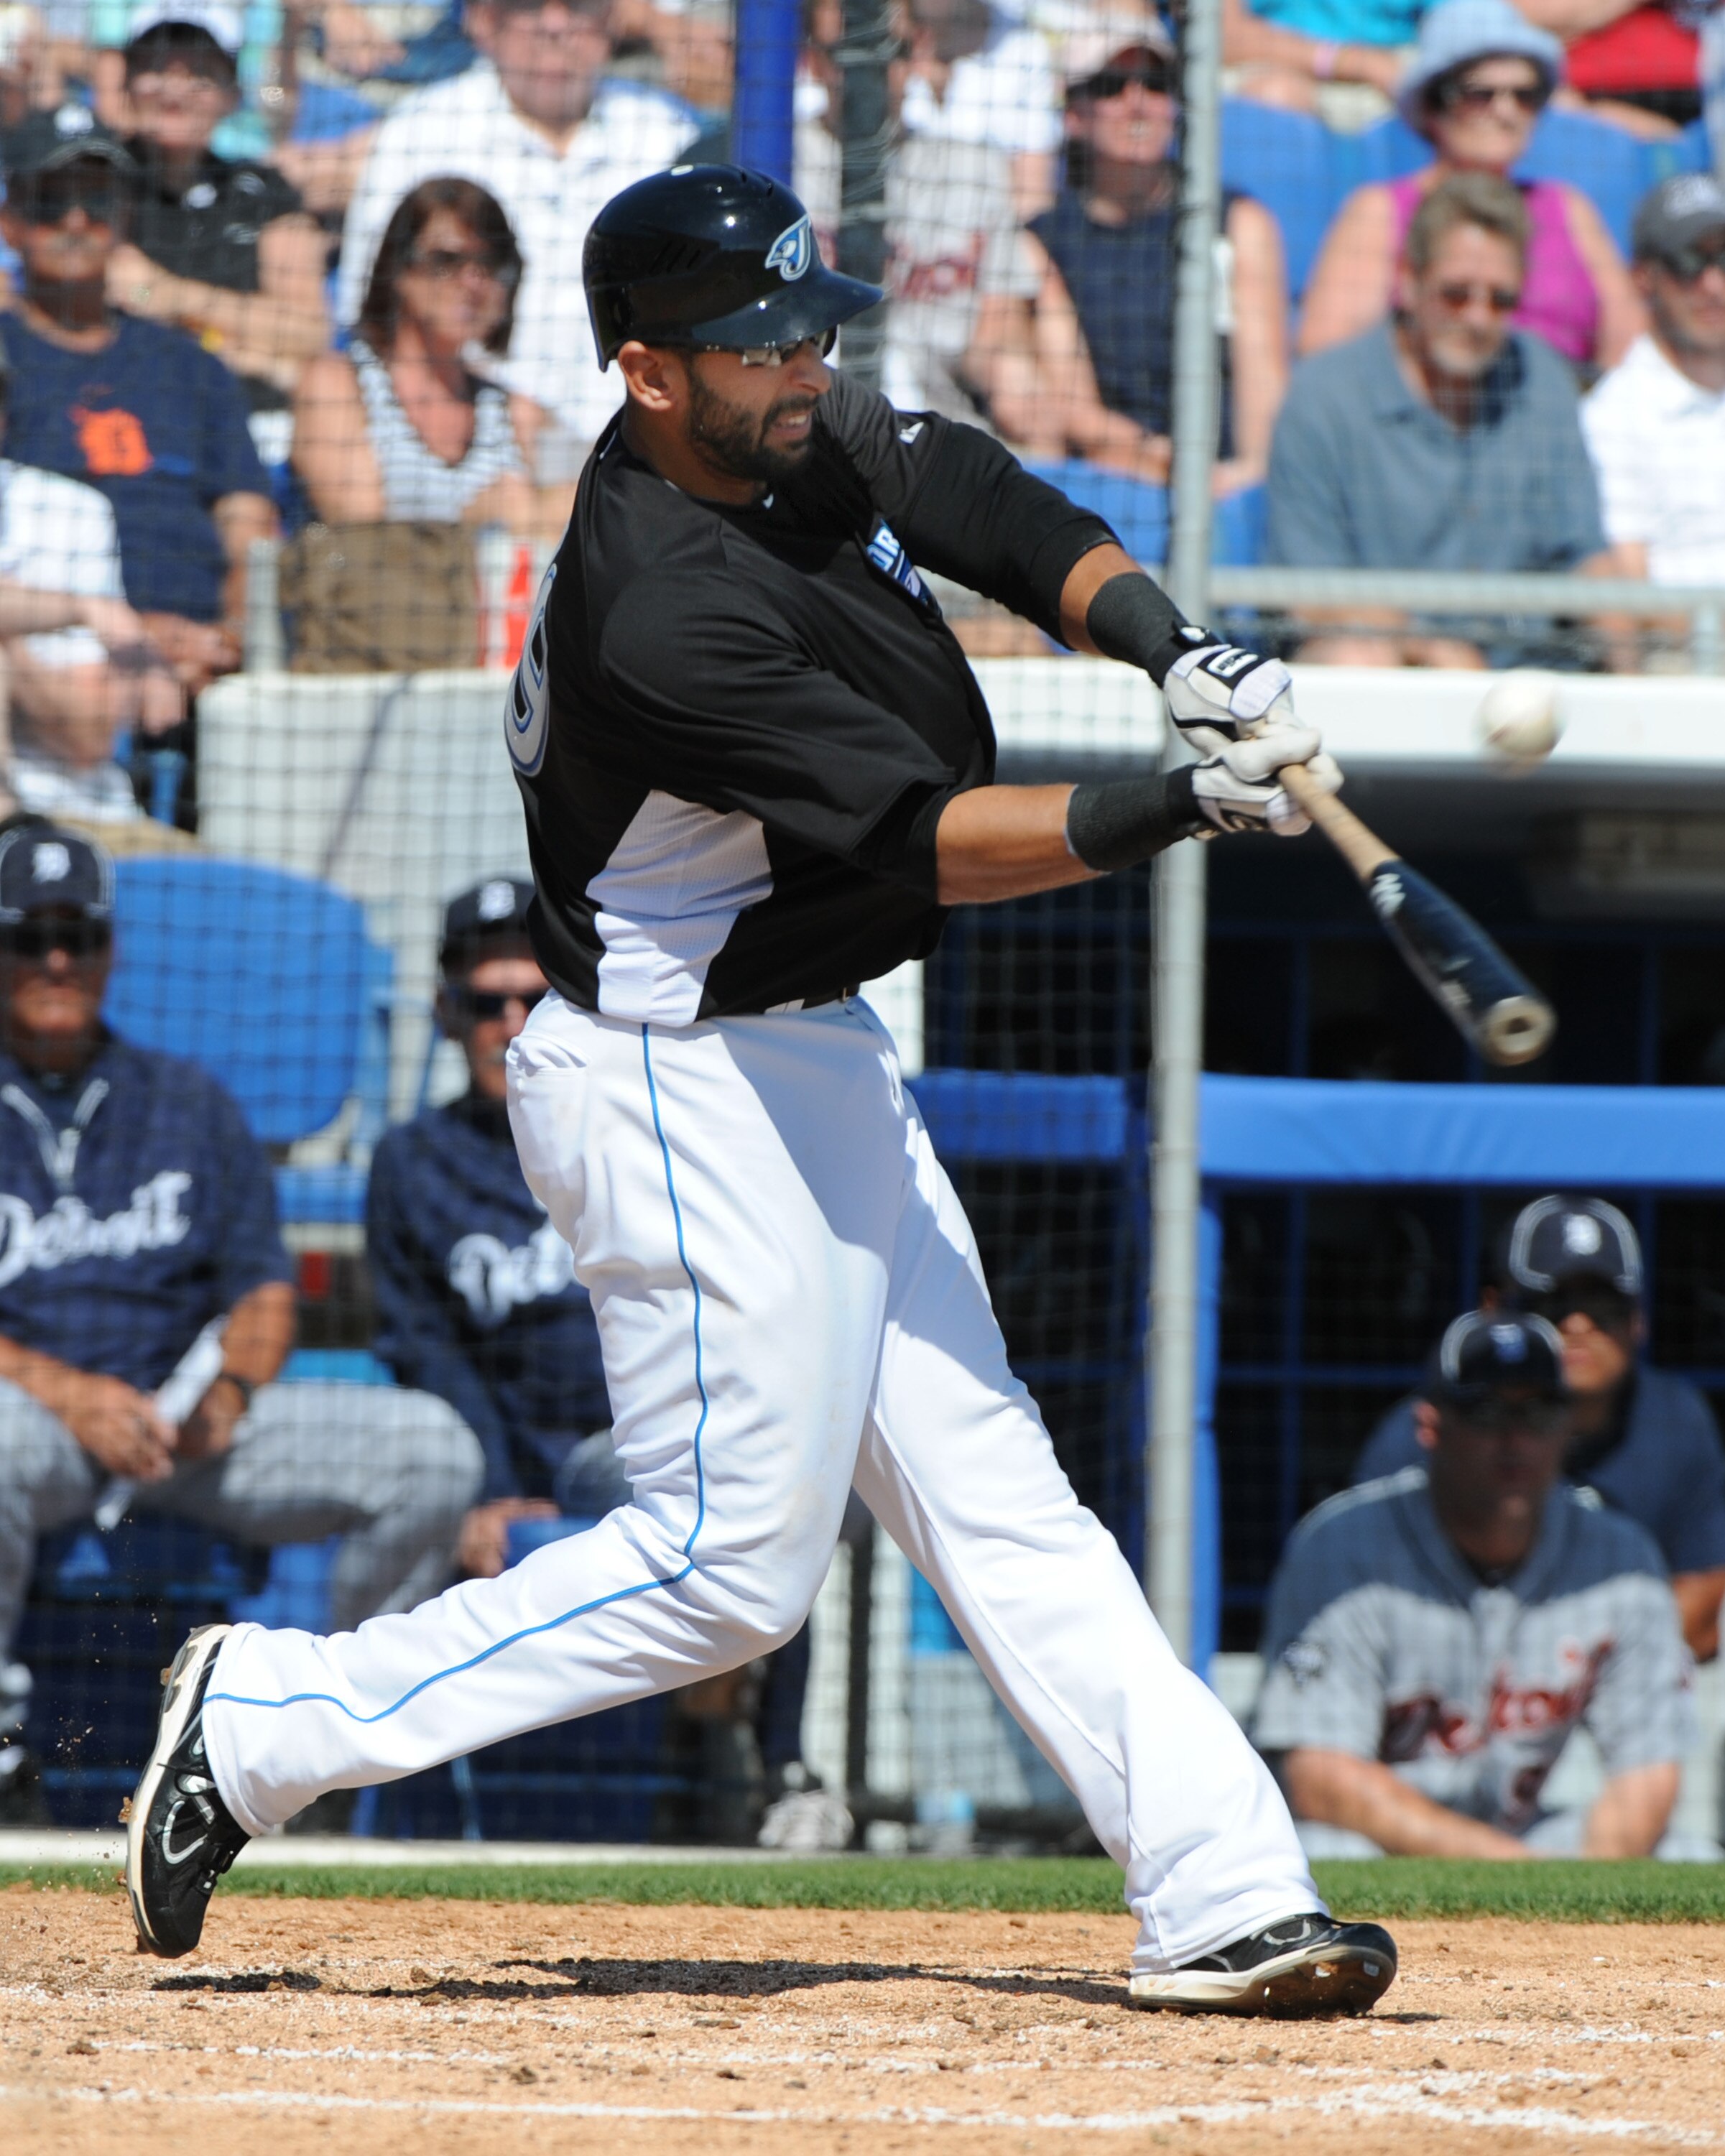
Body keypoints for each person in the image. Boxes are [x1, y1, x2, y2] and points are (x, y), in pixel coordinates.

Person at [124, 162, 1397, 2018]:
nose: (804, 359)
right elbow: (921, 843)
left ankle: (1220, 1888)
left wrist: (1167, 647)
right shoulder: (662, 605)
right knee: (729, 1573)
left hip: (801, 1042)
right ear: (647, 371)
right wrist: (1179, 805)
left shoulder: (779, 427)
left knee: (994, 1484)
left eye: (811, 321)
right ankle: (265, 1716)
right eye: (756, 341)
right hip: (667, 1077)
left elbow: (966, 486)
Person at [0, 823, 484, 1816]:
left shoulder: (186, 1102)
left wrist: (228, 1392)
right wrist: (69, 1394)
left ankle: (335, 1733)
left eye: (78, 935)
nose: (56, 959)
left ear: (109, 948)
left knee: (432, 1451)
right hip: (30, 1420)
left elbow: (264, 1290)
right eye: (29, 935)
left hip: (189, 1427)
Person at [1257, 1309, 1695, 1859]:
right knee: (1321, 1851)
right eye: (1486, 1411)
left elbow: (1646, 1778)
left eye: (1537, 1412)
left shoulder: (1619, 1558)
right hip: (1385, 1845)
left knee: (1686, 1855)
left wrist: (1573, 1907)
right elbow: (1319, 1776)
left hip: (1531, 1842)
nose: (1514, 1439)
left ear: (1567, 1426)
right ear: (1430, 1426)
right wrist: (1502, 1866)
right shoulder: (1343, 1547)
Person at [366, 876, 625, 1578]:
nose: (512, 1024)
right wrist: (498, 1490)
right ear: (447, 1013)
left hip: (644, 1443)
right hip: (523, 1465)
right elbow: (426, 1351)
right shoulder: (411, 1163)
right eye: (486, 1004)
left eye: (535, 1000)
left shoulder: (638, 1134)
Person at [1266, 172, 1619, 667]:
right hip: (1392, 677)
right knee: (1352, 656)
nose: (1477, 318)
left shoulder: (1541, 380)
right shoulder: (1325, 398)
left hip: (1530, 678)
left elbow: (1584, 554)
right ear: (1408, 282)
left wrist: (1630, 656)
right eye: (1456, 294)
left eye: (1500, 300)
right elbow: (1309, 595)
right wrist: (1430, 647)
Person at [1355, 1194, 1725, 1662]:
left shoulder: (1675, 1420)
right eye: (1551, 1303)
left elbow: (1701, 1609)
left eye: (1603, 1306)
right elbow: (1362, 1596)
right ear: (1494, 1307)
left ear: (1638, 1320)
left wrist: (1554, 1674)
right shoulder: (1443, 1423)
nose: (1576, 1324)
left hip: (1609, 1693)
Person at [334, 0, 699, 466]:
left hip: (653, 448)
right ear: (483, 20)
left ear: (610, 22)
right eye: (526, 5)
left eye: (579, 7)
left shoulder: (667, 133)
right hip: (489, 456)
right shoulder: (420, 132)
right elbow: (369, 318)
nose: (554, 25)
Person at [0, 106, 277, 694]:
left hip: (208, 662)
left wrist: (228, 633)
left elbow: (246, 518)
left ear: (123, 220)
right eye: (51, 204)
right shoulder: (5, 357)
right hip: (58, 660)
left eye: (97, 204)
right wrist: (138, 634)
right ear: (11, 223)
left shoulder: (189, 363)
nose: (76, 221)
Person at [1001, 22, 1287, 495]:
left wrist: (1247, 482)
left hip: (1226, 487)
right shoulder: (1042, 242)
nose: (1138, 102)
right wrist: (1182, 470)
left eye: (1156, 85)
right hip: (1102, 484)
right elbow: (1078, 414)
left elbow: (1264, 392)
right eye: (1112, 86)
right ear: (1074, 114)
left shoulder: (1237, 222)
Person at [1298, 0, 1642, 374]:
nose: (1506, 111)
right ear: (1435, 104)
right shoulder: (1380, 211)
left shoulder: (1568, 208)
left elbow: (1631, 353)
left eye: (1524, 95)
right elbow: (1326, 361)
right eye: (1482, 94)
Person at [793, 0, 1043, 430]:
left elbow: (1003, 341)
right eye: (847, 52)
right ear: (813, 60)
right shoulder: (775, 164)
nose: (867, 71)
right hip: (808, 426)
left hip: (941, 439)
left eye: (887, 50)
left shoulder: (974, 170)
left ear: (919, 51)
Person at [105, 3, 330, 448]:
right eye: (155, 68)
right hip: (133, 415)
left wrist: (168, 294)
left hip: (260, 425)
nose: (175, 89)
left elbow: (309, 333)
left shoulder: (265, 191)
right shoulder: (96, 179)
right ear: (127, 84)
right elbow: (112, 296)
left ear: (231, 94)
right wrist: (249, 348)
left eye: (200, 73)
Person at [294, 178, 570, 536]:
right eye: (446, 260)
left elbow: (583, 500)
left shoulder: (518, 413)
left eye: (490, 262)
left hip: (501, 589)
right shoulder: (337, 384)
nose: (472, 281)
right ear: (399, 269)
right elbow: (362, 536)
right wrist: (476, 521)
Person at [0, 325, 182, 823]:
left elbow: (89, 737)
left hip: (76, 815)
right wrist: (81, 607)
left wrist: (9, 641)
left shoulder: (71, 510)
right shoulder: (84, 606)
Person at [1583, 174, 1725, 587]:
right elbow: (1632, 594)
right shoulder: (1613, 417)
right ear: (1643, 277)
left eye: (1724, 260)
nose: (1713, 285)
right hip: (1685, 647)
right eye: (1689, 263)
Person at [1221, 0, 1423, 131]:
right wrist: (1352, 62)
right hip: (1284, 65)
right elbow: (1225, 35)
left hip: (1401, 65)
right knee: (1275, 96)